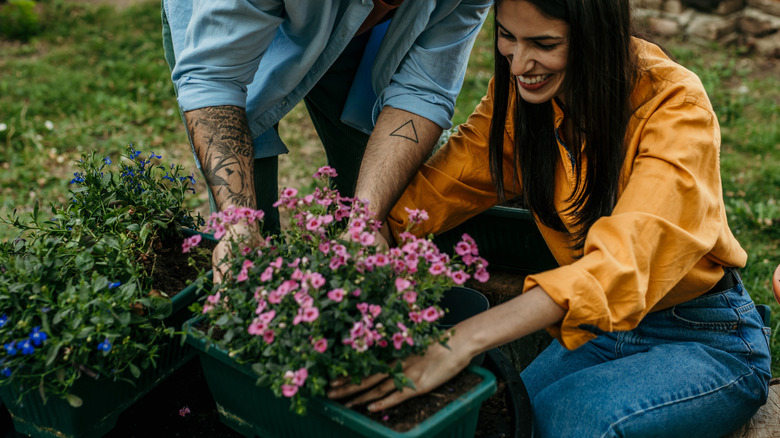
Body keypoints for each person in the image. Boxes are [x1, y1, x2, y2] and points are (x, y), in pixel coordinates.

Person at [326, 1, 772, 436]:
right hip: (599, 330)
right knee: (505, 415)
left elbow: (623, 262)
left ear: (597, 36)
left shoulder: (675, 106)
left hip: (705, 338)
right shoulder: (524, 100)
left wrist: (461, 341)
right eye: (507, 36)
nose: (519, 64)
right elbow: (445, 185)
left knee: (573, 422)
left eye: (543, 43)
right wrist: (375, 234)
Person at [161, 1, 491, 281]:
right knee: (248, 235)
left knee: (375, 198)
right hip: (235, 22)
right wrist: (238, 222)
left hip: (364, 28)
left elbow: (422, 91)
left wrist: (365, 224)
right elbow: (216, 76)